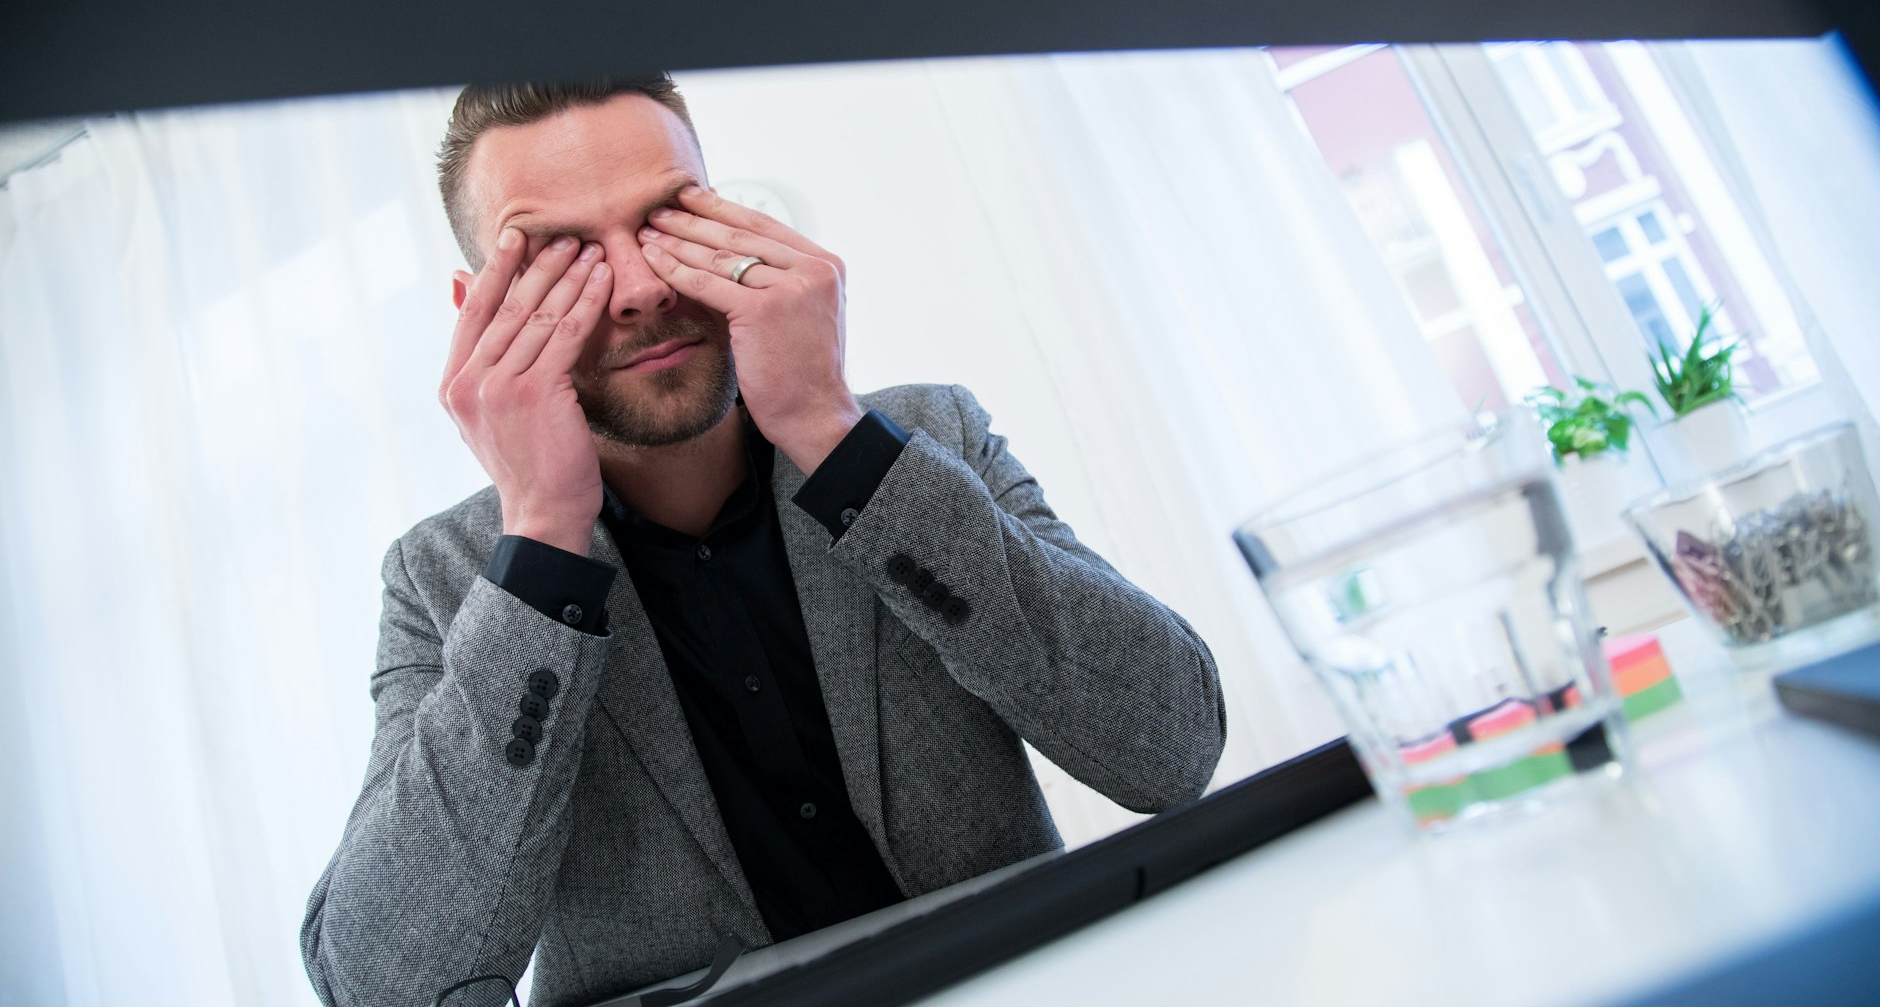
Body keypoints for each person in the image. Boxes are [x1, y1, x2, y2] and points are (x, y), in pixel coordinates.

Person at [300, 74, 1227, 1007]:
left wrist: (832, 431)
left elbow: (1170, 749)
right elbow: (383, 987)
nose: (639, 288)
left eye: (668, 221)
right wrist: (543, 539)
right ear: (482, 313)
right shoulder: (444, 577)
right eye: (561, 259)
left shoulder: (930, 438)